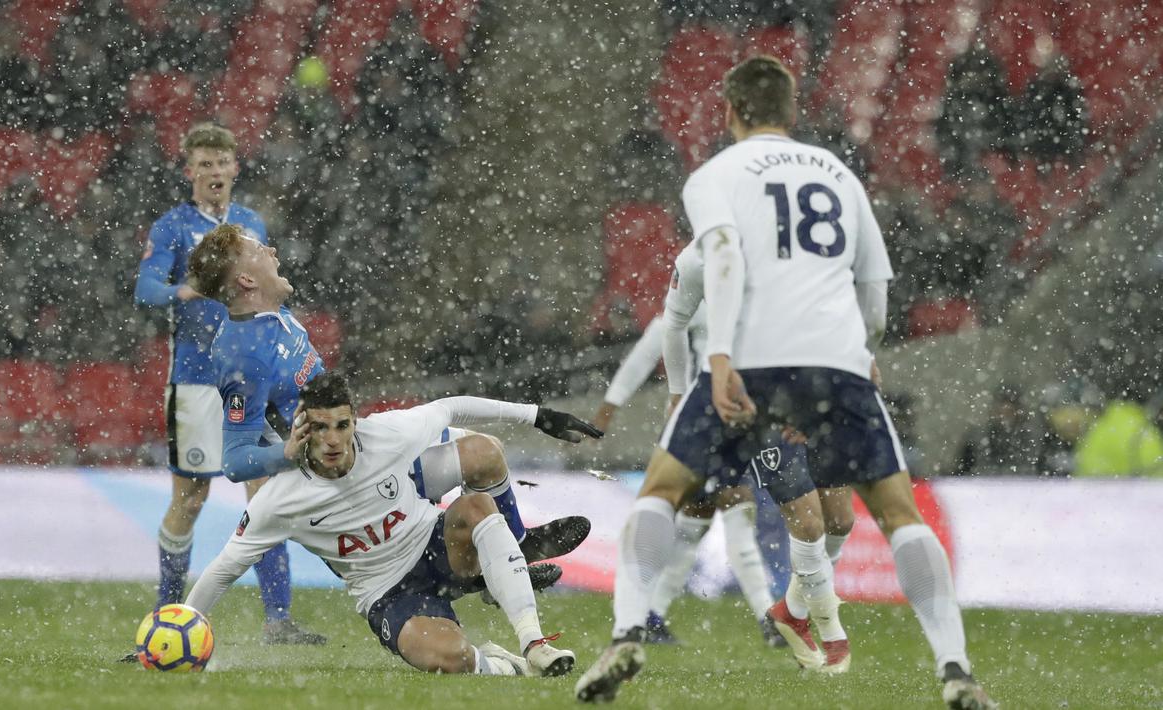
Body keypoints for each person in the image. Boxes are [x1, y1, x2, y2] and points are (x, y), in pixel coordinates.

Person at [576, 56, 996, 710]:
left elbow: (717, 257)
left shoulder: (714, 174)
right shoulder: (840, 177)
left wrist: (717, 357)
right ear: (791, 113)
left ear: (729, 111)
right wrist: (864, 349)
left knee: (660, 491)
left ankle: (627, 631)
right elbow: (874, 291)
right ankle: (954, 669)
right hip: (834, 361)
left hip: (748, 360)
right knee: (895, 514)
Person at [188, 224, 592, 577]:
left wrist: (537, 415)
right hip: (341, 487)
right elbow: (235, 460)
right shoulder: (243, 355)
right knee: (443, 556)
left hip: (363, 452)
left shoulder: (275, 315)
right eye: (259, 250)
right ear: (245, 280)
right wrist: (289, 455)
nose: (272, 251)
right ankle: (490, 570)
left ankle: (511, 551)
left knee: (486, 455)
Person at [184, 368, 603, 675]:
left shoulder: (388, 434)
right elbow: (224, 569)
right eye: (320, 427)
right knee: (450, 658)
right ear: (302, 426)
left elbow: (451, 406)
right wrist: (183, 627)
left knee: (480, 488)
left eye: (342, 425)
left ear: (355, 421)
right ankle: (508, 664)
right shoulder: (279, 498)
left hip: (437, 547)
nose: (333, 439)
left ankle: (533, 641)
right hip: (387, 592)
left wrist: (537, 415)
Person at [132, 123, 320, 645]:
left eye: (223, 163)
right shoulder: (172, 227)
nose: (215, 173)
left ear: (236, 168)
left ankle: (278, 620)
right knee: (190, 499)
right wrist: (185, 290)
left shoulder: (249, 222)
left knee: (263, 495)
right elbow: (146, 289)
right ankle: (167, 615)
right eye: (205, 164)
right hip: (194, 381)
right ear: (189, 171)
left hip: (247, 375)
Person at [592, 294, 785, 648]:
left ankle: (651, 615)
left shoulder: (753, 292)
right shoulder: (703, 293)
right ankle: (769, 619)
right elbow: (652, 346)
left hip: (739, 421)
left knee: (699, 520)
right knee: (734, 506)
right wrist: (610, 404)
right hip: (699, 424)